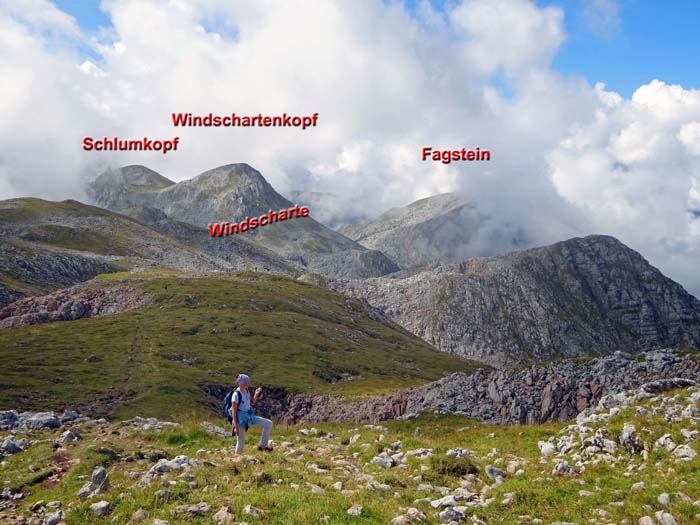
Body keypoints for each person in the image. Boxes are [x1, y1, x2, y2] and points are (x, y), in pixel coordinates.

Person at [231, 373, 273, 453]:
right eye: (247, 382)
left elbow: (252, 402)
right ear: (243, 383)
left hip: (249, 417)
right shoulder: (236, 395)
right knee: (240, 442)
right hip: (240, 421)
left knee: (268, 423)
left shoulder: (246, 391)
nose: (249, 383)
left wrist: (256, 394)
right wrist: (236, 426)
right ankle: (236, 459)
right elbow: (234, 411)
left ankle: (262, 447)